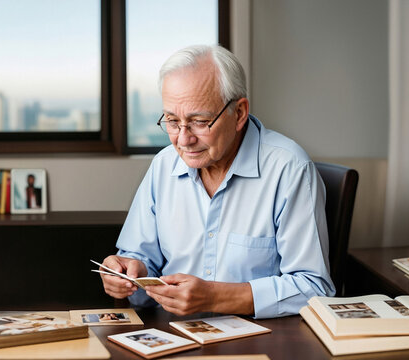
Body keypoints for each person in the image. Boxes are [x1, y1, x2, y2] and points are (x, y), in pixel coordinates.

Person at [98, 44, 334, 319]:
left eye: (199, 121)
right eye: (172, 121)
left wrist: (214, 297)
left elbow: (313, 288)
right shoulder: (163, 165)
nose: (184, 140)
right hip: (173, 334)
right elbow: (139, 258)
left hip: (262, 340)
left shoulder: (289, 169)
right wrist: (127, 272)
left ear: (240, 113)